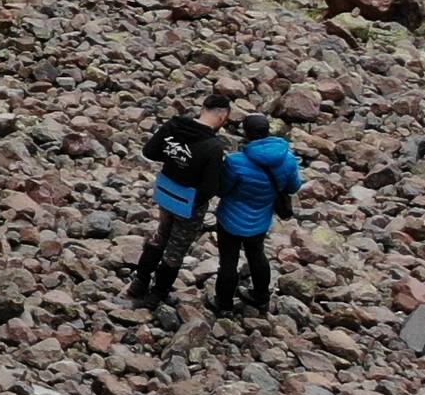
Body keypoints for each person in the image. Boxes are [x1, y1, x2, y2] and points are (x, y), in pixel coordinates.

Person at [129, 96, 228, 316]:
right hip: (188, 203)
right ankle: (157, 294)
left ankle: (139, 282)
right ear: (222, 116)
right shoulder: (213, 146)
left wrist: (174, 160)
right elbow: (210, 187)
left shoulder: (173, 125)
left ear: (202, 108)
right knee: (175, 250)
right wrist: (194, 198)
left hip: (165, 193)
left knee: (159, 237)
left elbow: (149, 151)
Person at [212, 112, 305, 319]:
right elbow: (294, 186)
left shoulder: (236, 162)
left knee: (228, 261)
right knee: (257, 255)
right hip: (261, 218)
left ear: (246, 133)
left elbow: (223, 190)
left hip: (230, 218)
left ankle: (224, 304)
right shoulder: (287, 159)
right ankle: (261, 297)